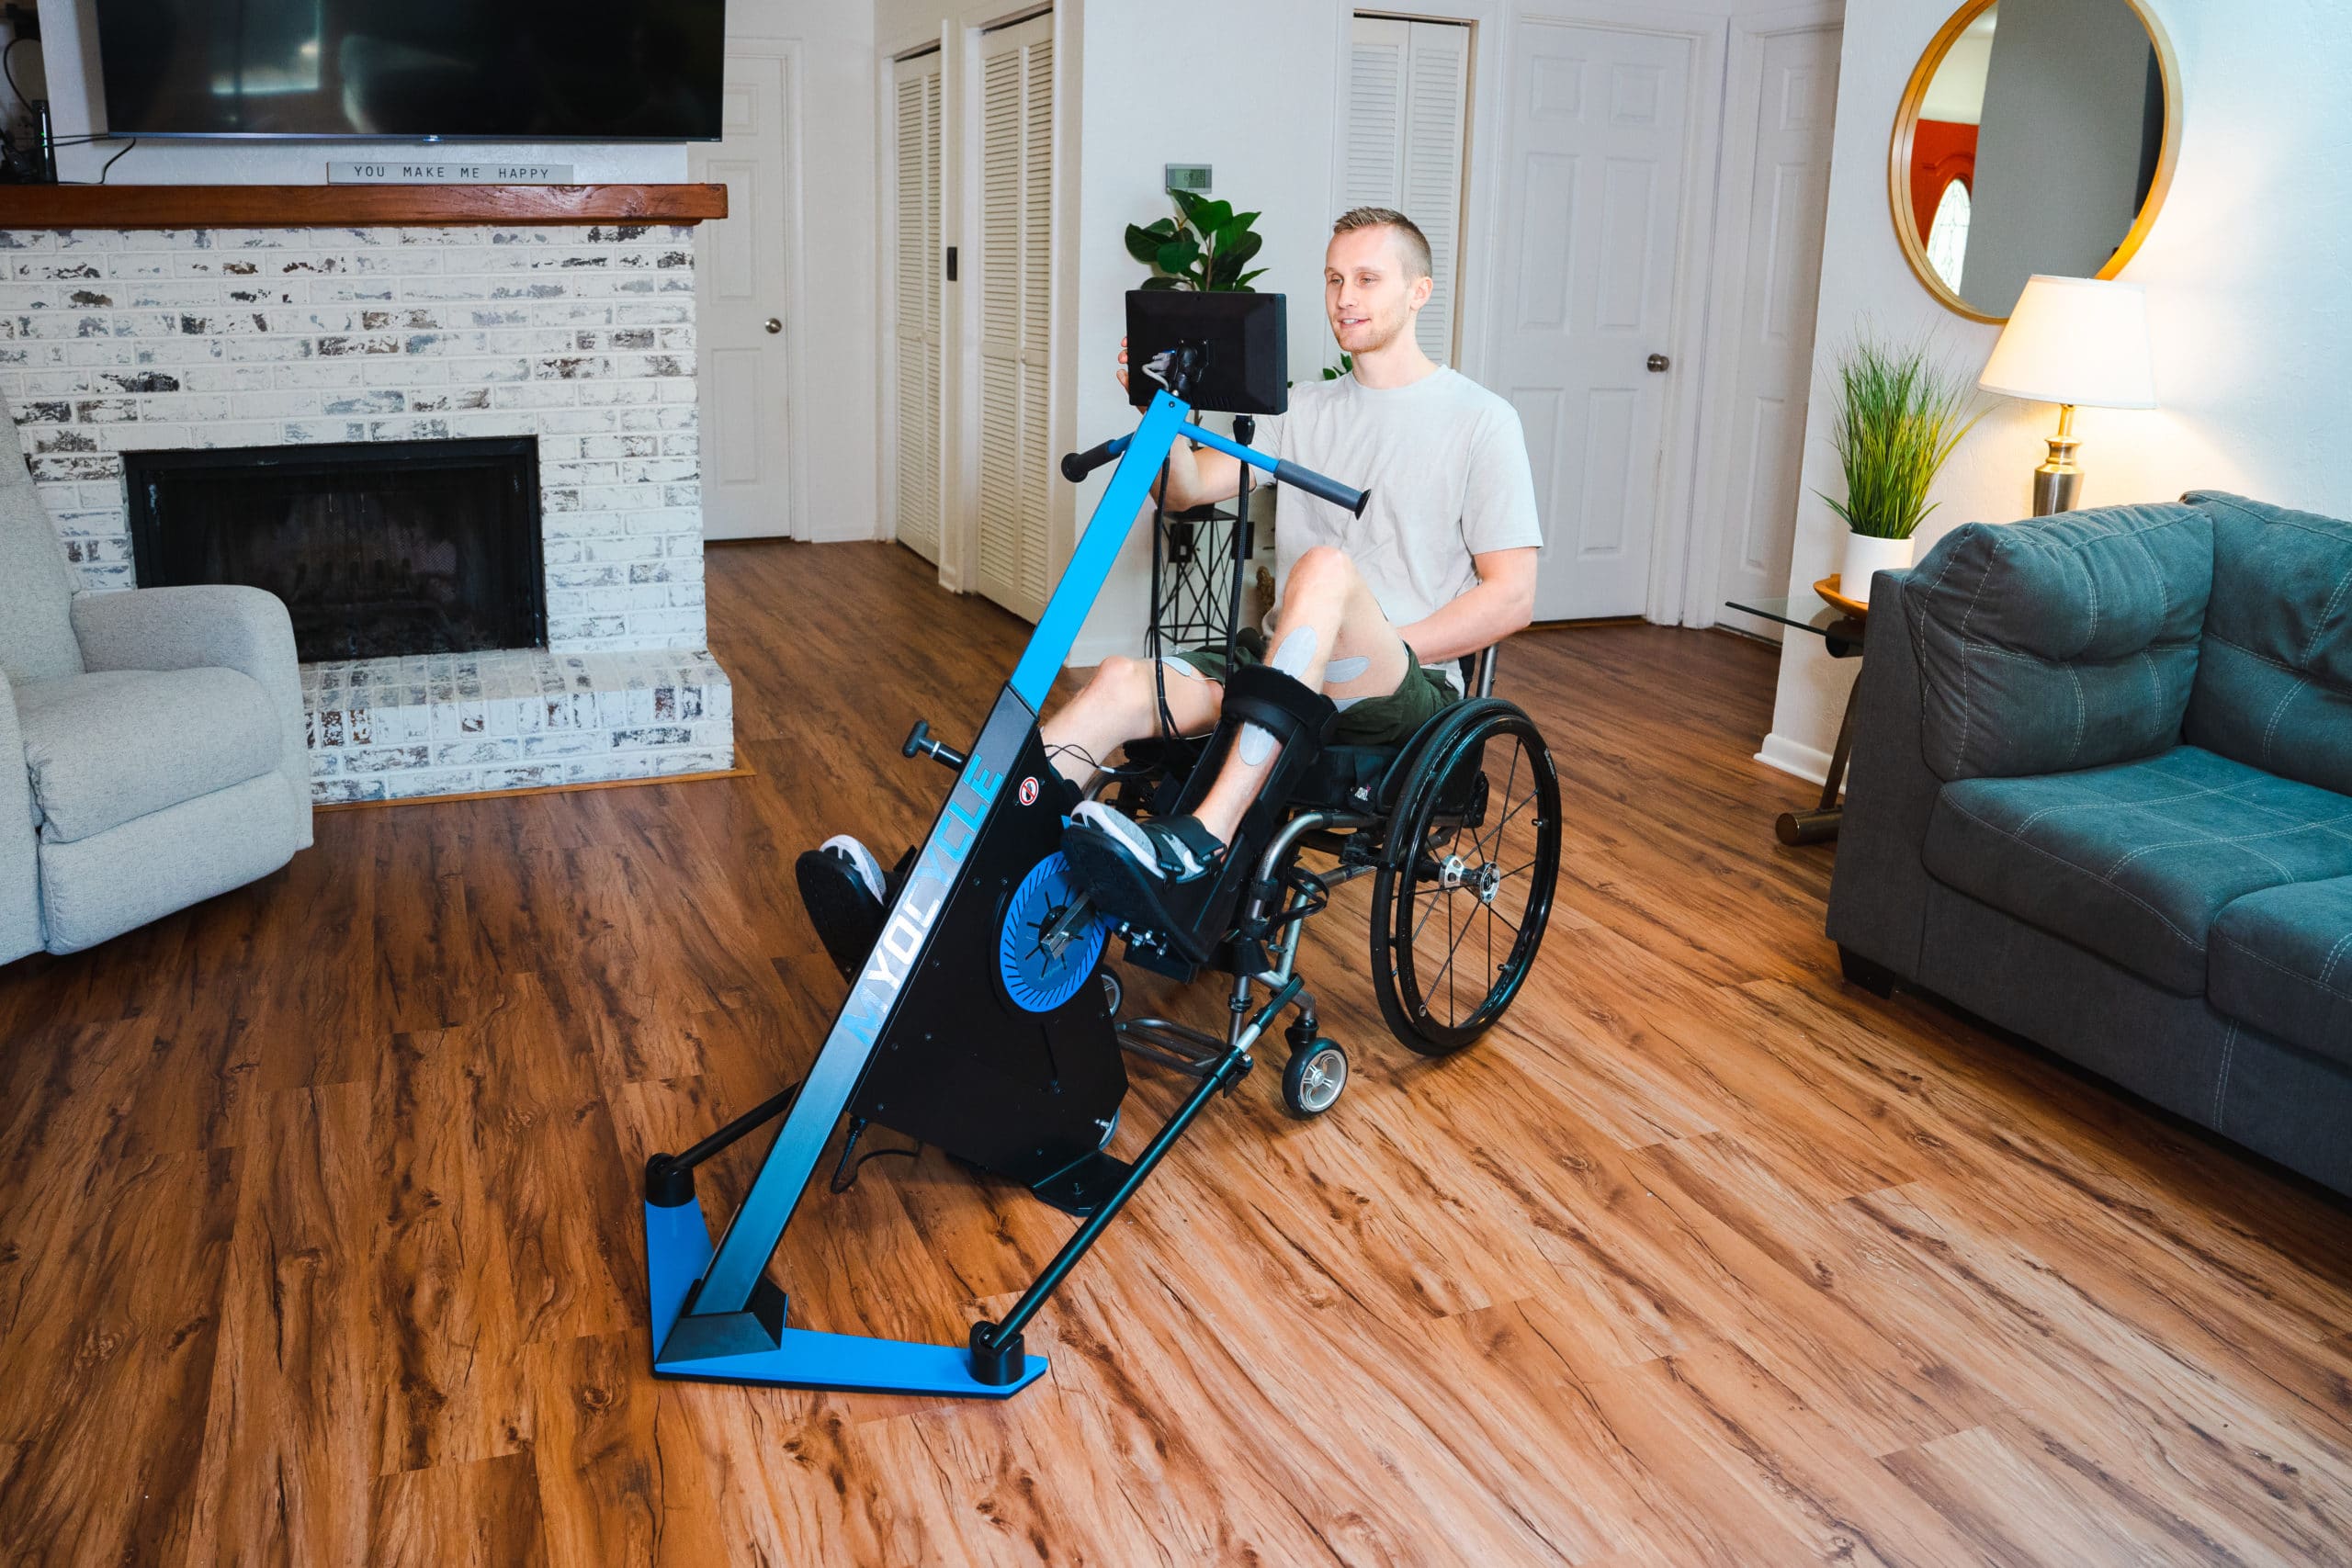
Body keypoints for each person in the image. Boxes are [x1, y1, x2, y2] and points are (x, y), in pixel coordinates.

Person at [799, 206, 1543, 971]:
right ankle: (922, 894)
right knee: (1119, 682)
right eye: (1331, 278)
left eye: (1366, 279)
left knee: (1323, 570)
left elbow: (1512, 597)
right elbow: (1185, 491)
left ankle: (1201, 841)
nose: (1343, 296)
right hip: (1282, 665)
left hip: (1401, 691)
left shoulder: (1481, 420)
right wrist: (1162, 411)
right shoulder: (1303, 408)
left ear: (1419, 291)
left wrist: (1367, 644)